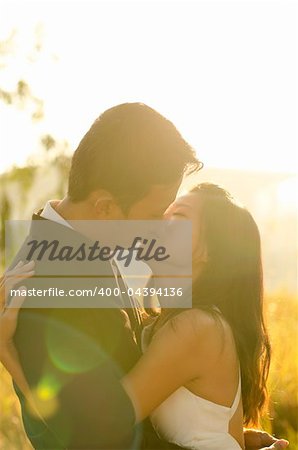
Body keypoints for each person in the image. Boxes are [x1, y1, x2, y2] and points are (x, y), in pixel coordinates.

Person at [0, 103, 288, 449]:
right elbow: (95, 437)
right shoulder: (45, 281)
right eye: (154, 214)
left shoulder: (85, 254)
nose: (159, 229)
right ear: (104, 206)